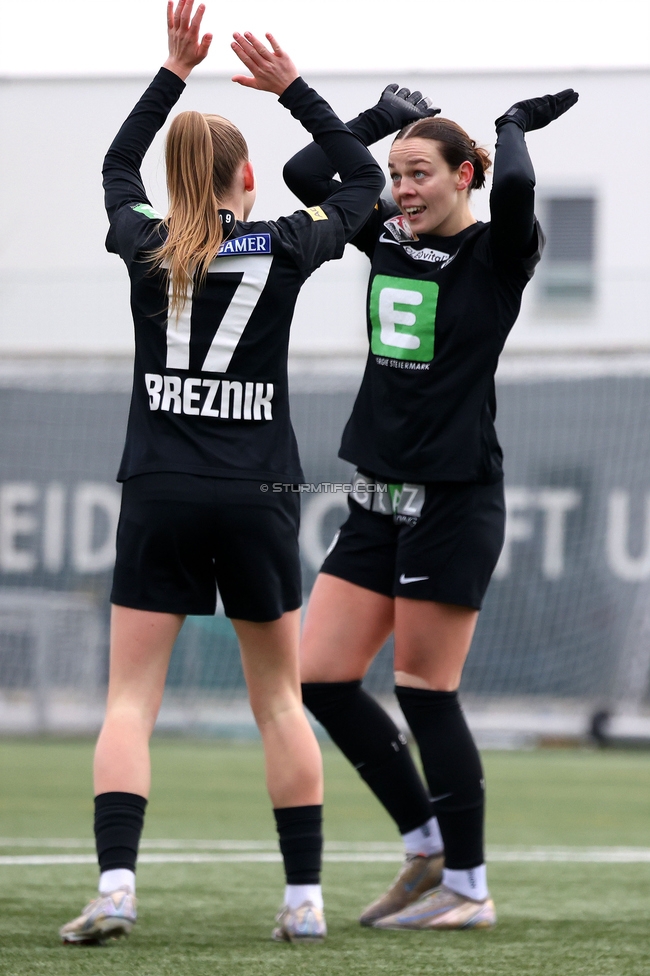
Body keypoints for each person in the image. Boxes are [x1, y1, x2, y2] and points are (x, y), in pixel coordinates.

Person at [59, 0, 384, 946]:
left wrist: (172, 71)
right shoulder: (283, 241)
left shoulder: (146, 241)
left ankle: (117, 889)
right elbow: (361, 178)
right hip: (258, 498)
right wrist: (293, 90)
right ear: (249, 176)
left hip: (159, 488)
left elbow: (117, 170)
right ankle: (305, 904)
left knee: (130, 701)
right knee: (279, 699)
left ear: (173, 183)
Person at [284, 84, 578, 930]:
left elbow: (516, 190)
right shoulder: (383, 232)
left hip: (454, 502)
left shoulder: (497, 252)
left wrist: (511, 126)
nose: (402, 190)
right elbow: (310, 172)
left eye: (420, 175)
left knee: (424, 689)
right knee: (323, 676)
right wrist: (381, 118)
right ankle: (425, 845)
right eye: (395, 176)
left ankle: (472, 888)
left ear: (465, 177)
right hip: (376, 499)